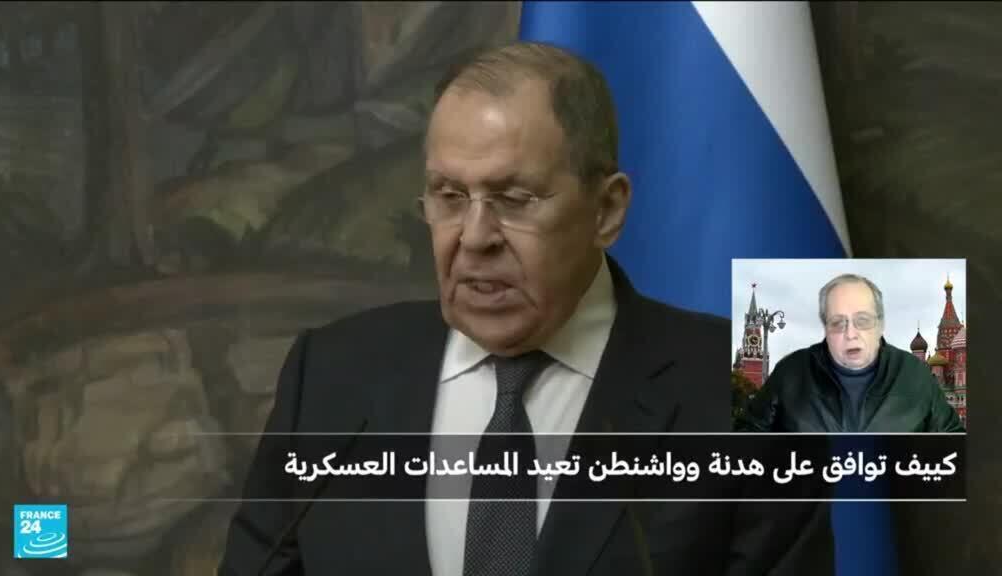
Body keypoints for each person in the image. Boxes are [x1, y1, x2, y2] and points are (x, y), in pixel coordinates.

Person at [219, 41, 832, 575]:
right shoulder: (331, 377)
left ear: (607, 210)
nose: (474, 236)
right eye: (449, 196)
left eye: (513, 199)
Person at [737, 273, 965, 432]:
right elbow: (746, 437)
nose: (851, 332)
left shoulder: (914, 374)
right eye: (839, 320)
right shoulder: (792, 373)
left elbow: (954, 443)